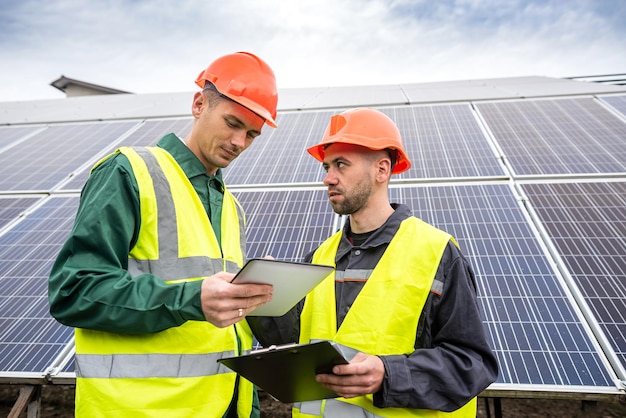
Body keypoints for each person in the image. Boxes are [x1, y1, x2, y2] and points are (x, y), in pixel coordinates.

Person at [48, 52, 278, 418]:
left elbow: (225, 329)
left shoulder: (231, 207)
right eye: (233, 123)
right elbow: (73, 292)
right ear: (199, 104)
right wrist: (191, 299)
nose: (239, 142)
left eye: (252, 134)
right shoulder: (129, 172)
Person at [249, 108, 498, 417]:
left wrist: (388, 374)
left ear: (382, 170)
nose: (328, 178)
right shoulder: (319, 257)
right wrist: (264, 301)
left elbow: (471, 364)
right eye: (327, 166)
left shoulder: (437, 254)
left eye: (341, 164)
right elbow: (295, 345)